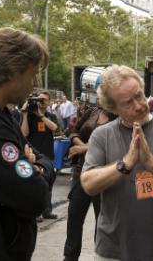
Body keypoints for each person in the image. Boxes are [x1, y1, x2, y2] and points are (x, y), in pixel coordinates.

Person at [81, 65, 153, 261]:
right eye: (128, 103)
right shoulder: (102, 135)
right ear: (113, 107)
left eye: (139, 95)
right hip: (114, 250)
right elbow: (88, 184)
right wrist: (126, 163)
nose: (139, 105)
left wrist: (151, 162)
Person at [0, 27, 52, 260]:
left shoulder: (4, 116)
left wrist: (38, 168)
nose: (34, 83)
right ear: (13, 71)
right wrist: (34, 170)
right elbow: (35, 196)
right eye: (33, 74)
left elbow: (42, 158)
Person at [63, 105, 116, 261]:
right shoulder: (93, 111)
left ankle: (100, 256)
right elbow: (72, 130)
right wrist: (80, 144)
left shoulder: (118, 117)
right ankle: (69, 257)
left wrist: (84, 149)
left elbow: (112, 145)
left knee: (101, 221)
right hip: (82, 172)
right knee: (74, 216)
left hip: (104, 174)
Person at [21, 91, 58, 220]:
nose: (42, 102)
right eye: (40, 99)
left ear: (48, 102)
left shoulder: (50, 115)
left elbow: (54, 127)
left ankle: (47, 211)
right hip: (33, 154)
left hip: (47, 153)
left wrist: (41, 115)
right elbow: (24, 133)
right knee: (34, 183)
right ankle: (36, 212)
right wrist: (25, 114)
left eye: (45, 100)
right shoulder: (29, 116)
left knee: (48, 184)